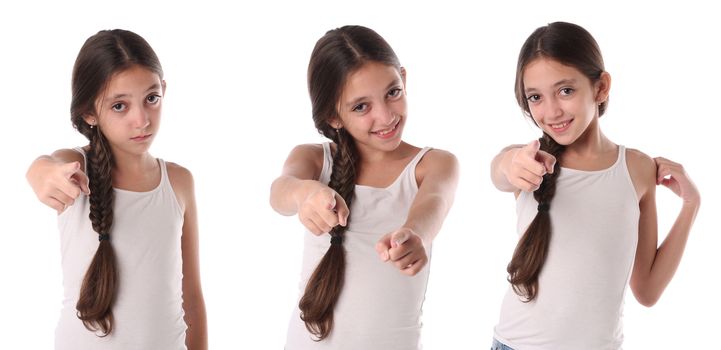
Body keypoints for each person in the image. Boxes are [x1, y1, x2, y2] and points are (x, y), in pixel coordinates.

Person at [489, 21, 700, 350]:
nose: (551, 111)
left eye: (565, 91)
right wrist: (510, 163)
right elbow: (500, 171)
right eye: (535, 97)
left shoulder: (636, 169)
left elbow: (647, 290)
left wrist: (690, 206)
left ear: (601, 88)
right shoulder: (531, 161)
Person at [270, 25, 459, 349]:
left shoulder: (433, 164)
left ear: (404, 78)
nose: (385, 116)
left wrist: (416, 235)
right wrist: (306, 194)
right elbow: (281, 191)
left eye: (393, 92)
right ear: (333, 115)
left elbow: (434, 204)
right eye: (361, 107)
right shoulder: (315, 159)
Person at [25, 29, 207, 350]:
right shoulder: (76, 168)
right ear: (89, 113)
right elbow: (45, 167)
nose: (141, 120)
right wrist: (45, 174)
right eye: (120, 106)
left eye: (151, 99)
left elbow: (190, 298)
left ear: (164, 91)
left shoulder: (179, 182)